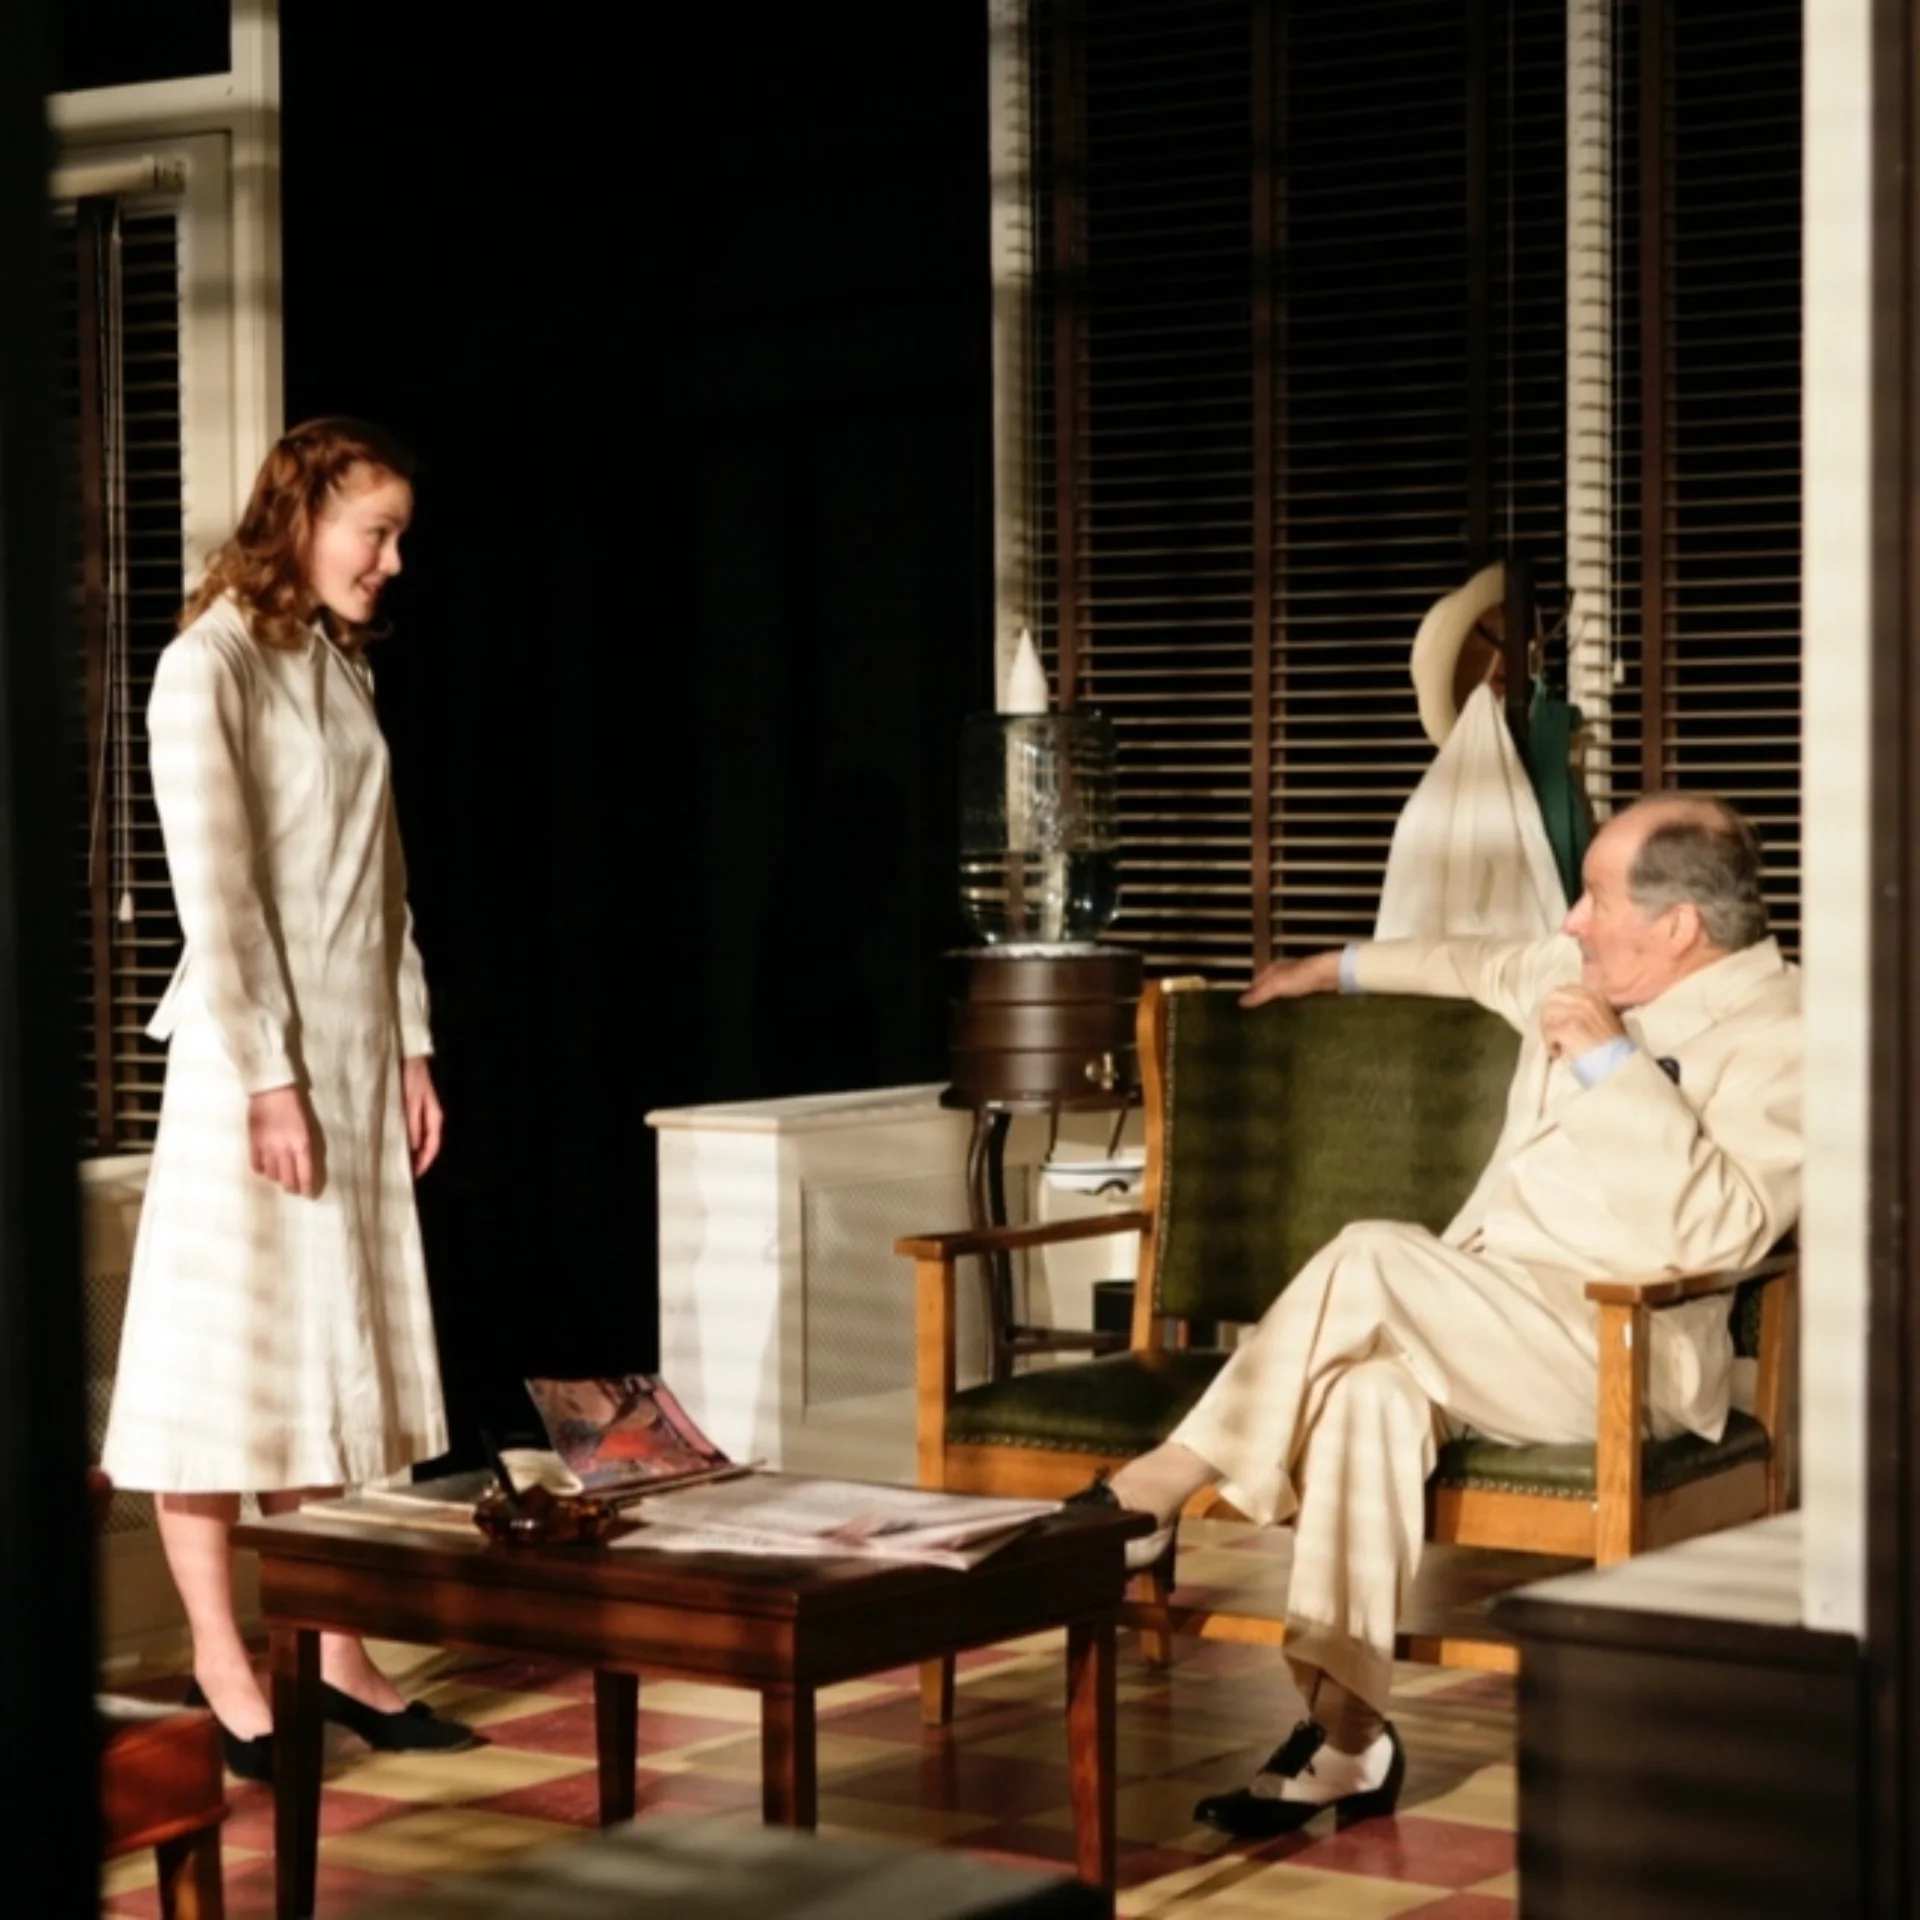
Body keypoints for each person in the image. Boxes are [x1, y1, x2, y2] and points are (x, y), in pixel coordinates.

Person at [1086, 793, 1801, 1838]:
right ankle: (1346, 1741)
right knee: (1367, 1399)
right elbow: (1465, 961)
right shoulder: (1577, 973)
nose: (1569, 922)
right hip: (1479, 1312)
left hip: (1623, 1349)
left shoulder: (1786, 1032)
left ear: (1679, 925)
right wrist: (1319, 971)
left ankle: (1159, 1486)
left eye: (1594, 899)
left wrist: (1613, 1068)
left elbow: (1727, 1231)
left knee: (1374, 1251)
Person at [100, 418, 474, 1779]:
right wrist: (269, 1077)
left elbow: (385, 886)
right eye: (372, 531)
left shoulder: (333, 665)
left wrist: (412, 1046)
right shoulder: (207, 668)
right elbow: (222, 895)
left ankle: (333, 1652)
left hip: (351, 1054)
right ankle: (222, 1659)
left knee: (322, 1355)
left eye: (398, 537)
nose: (390, 560)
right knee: (220, 1365)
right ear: (300, 518)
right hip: (249, 1068)